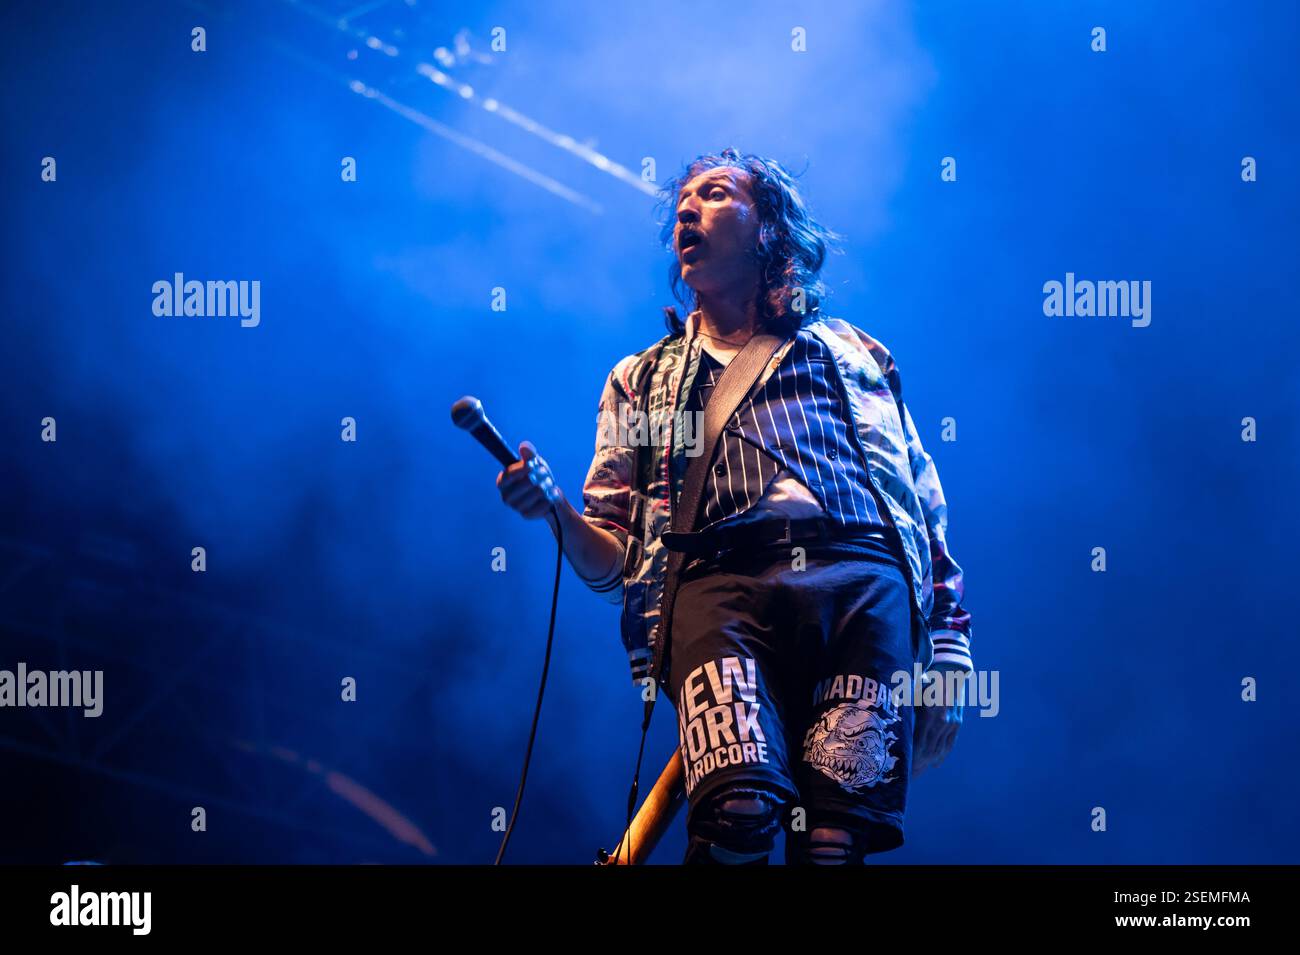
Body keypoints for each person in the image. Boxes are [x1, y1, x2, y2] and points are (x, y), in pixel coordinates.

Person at [496, 148, 973, 864]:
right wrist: (556, 510)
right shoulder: (644, 379)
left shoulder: (854, 354)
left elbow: (922, 509)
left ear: (768, 229)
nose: (687, 208)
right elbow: (613, 564)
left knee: (833, 840)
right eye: (681, 201)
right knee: (735, 816)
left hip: (863, 589)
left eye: (714, 194)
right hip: (718, 590)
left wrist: (951, 649)